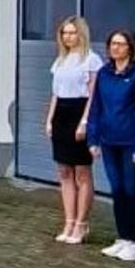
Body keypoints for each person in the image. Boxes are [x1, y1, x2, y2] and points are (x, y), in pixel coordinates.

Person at [86, 29, 135, 263]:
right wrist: (93, 139)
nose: (116, 48)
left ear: (131, 47)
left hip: (132, 144)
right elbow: (96, 107)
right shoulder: (105, 73)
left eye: (121, 44)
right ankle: (123, 237)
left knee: (132, 191)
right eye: (112, 44)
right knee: (117, 191)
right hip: (109, 141)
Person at [45, 16, 100, 243]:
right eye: (64, 33)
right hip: (62, 114)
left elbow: (93, 94)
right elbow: (56, 94)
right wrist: (49, 120)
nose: (68, 37)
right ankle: (68, 221)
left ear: (81, 34)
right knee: (64, 172)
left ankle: (81, 223)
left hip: (80, 111)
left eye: (72, 33)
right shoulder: (60, 61)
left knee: (82, 172)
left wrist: (85, 121)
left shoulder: (91, 60)